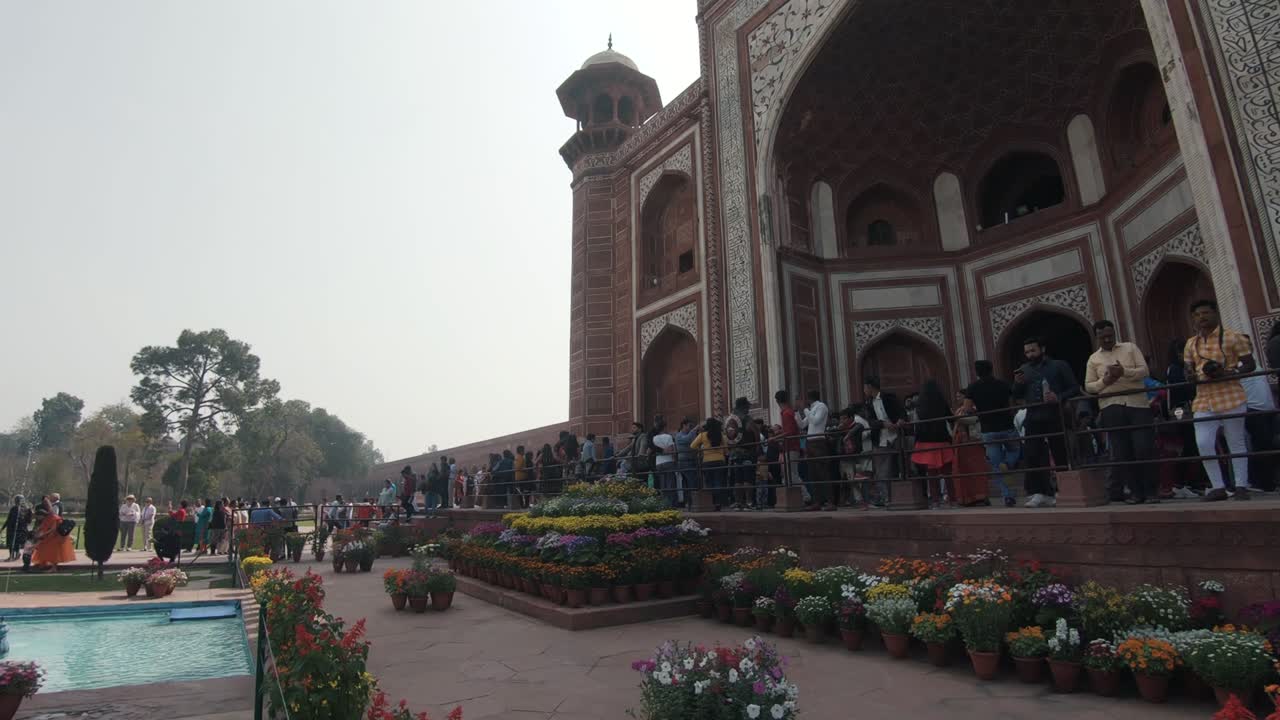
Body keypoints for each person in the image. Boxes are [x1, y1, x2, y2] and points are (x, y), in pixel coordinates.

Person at [1183, 299, 1256, 501]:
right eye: (1197, 315)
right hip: (1204, 398)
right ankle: (1218, 487)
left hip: (1230, 393)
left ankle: (1241, 485)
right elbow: (1188, 367)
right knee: (1203, 442)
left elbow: (1250, 364)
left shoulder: (1232, 337)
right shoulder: (1191, 343)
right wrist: (1189, 375)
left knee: (1236, 441)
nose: (1201, 318)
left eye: (1205, 313)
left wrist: (1229, 373)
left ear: (1215, 314)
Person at [1085, 320, 1157, 504]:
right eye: (1103, 337)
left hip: (1137, 404)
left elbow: (1144, 371)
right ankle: (1135, 492)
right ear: (1097, 337)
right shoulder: (1093, 359)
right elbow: (1089, 386)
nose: (1107, 339)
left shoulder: (1130, 348)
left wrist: (1124, 372)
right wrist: (1105, 382)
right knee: (1123, 452)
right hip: (1111, 406)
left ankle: (1150, 492)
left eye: (1110, 335)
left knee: (1144, 448)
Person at [1013, 336, 1081, 508]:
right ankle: (1040, 493)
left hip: (1054, 414)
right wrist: (1018, 384)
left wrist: (1058, 397)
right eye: (1027, 352)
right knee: (1033, 454)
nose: (1029, 354)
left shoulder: (1058, 365)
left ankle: (1064, 490)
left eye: (1032, 350)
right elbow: (1017, 395)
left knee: (1060, 452)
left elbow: (1074, 388)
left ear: (1042, 349)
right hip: (1033, 416)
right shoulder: (1024, 369)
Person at [963, 360, 1020, 506]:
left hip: (988, 430)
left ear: (977, 372)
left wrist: (979, 410)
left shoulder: (973, 387)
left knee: (997, 466)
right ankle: (1008, 463)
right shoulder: (1002, 383)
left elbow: (967, 409)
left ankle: (1008, 495)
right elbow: (1014, 399)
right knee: (1015, 451)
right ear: (991, 369)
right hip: (1007, 426)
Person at [1240, 335, 1277, 492]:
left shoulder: (1255, 363)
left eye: (1249, 344)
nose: (1248, 346)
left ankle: (1269, 481)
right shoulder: (1237, 365)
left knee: (1268, 445)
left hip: (1268, 410)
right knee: (1261, 446)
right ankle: (1260, 483)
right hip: (1253, 410)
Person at [911, 380, 955, 507]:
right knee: (948, 474)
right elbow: (950, 418)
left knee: (932, 475)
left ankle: (935, 501)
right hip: (942, 440)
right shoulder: (942, 402)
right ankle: (953, 500)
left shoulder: (919, 404)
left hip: (926, 443)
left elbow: (916, 424)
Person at [864, 377, 906, 507]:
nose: (864, 390)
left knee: (902, 465)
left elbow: (902, 412)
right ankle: (885, 498)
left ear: (870, 387)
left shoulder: (889, 397)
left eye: (865, 387)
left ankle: (903, 496)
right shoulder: (868, 403)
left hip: (896, 435)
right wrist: (882, 423)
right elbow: (871, 421)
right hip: (881, 437)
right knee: (882, 470)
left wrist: (899, 421)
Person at [796, 389, 834, 511]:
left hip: (818, 442)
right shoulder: (811, 409)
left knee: (822, 472)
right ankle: (817, 501)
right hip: (810, 442)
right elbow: (802, 425)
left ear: (808, 399)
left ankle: (830, 502)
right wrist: (797, 412)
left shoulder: (821, 406)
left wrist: (805, 409)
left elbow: (815, 421)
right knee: (813, 474)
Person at [774, 390, 805, 500]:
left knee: (790, 474)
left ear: (777, 401)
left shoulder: (787, 413)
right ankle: (799, 498)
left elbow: (790, 432)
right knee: (792, 473)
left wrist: (774, 438)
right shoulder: (789, 412)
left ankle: (806, 496)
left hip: (791, 446)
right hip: (792, 446)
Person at [691, 418, 728, 509]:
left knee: (709, 483)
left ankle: (711, 503)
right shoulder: (721, 435)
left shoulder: (703, 435)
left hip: (707, 461)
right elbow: (726, 450)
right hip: (720, 460)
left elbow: (692, 446)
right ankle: (718, 503)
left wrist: (701, 450)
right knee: (718, 482)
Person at [31, 497, 75, 572]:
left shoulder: (53, 517)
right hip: (51, 537)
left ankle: (54, 568)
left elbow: (53, 529)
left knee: (53, 551)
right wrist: (39, 532)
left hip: (56, 538)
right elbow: (44, 527)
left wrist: (43, 534)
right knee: (42, 547)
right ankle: (43, 563)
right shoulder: (48, 517)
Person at [652, 418, 678, 505]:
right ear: (664, 427)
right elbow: (672, 450)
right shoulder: (668, 437)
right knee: (671, 483)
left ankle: (665, 502)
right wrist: (674, 460)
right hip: (668, 461)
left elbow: (653, 450)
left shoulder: (654, 438)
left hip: (658, 462)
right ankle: (671, 503)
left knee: (663, 484)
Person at [674, 417, 699, 507]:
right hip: (685, 462)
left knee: (691, 482)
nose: (691, 428)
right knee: (690, 482)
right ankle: (691, 502)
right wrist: (694, 430)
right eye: (689, 426)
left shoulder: (690, 434)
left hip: (692, 461)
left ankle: (691, 502)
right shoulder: (678, 436)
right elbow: (687, 440)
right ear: (684, 425)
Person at [3, 496, 23, 561]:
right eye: (16, 500)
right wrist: (3, 528)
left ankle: (15, 555)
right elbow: (9, 519)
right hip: (12, 528)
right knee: (12, 543)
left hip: (16, 529)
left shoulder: (21, 509)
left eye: (17, 500)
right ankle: (12, 556)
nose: (16, 501)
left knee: (14, 542)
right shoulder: (14, 508)